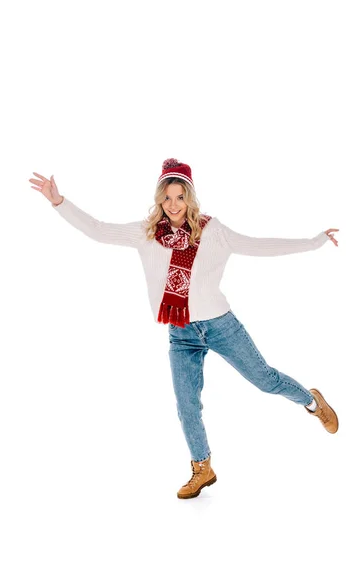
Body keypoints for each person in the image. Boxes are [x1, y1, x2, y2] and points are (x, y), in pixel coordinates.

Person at [29, 158, 340, 500]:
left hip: (220, 326)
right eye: (167, 198)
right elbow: (99, 229)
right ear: (159, 200)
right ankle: (202, 467)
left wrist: (313, 242)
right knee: (186, 403)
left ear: (189, 199)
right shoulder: (146, 234)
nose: (173, 205)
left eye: (179, 197)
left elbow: (260, 246)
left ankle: (312, 402)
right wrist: (59, 202)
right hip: (180, 332)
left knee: (265, 379)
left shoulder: (213, 231)